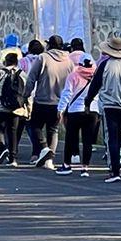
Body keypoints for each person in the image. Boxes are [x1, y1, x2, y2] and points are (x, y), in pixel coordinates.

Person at [83, 35, 121, 184]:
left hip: (110, 106)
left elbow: (95, 86)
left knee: (111, 139)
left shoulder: (105, 65)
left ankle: (114, 170)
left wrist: (87, 102)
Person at [23, 35, 74, 166]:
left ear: (49, 45)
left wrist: (25, 94)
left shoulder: (43, 58)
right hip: (60, 102)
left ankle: (44, 149)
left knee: (35, 126)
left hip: (42, 99)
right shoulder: (69, 61)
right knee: (53, 130)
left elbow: (31, 78)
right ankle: (49, 160)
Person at [56, 55, 99, 176]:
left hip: (75, 111)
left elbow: (67, 93)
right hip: (92, 111)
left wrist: (61, 109)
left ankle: (67, 165)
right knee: (88, 141)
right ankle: (85, 167)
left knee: (70, 138)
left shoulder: (73, 76)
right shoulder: (96, 77)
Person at [0, 51, 31, 166]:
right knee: (13, 132)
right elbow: (28, 92)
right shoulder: (23, 74)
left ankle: (2, 147)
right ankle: (13, 158)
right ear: (17, 62)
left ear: (5, 61)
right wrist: (28, 108)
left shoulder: (0, 73)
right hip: (17, 108)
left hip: (0, 107)